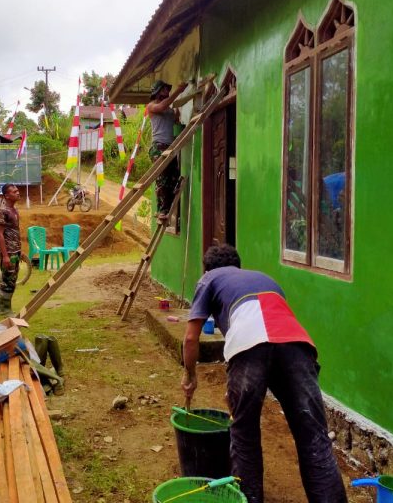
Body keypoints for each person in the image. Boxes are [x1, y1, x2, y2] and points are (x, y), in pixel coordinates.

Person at [181, 244, 347, 503]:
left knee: (244, 434)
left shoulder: (209, 278)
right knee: (314, 438)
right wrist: (235, 386)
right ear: (238, 264)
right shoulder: (267, 280)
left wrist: (190, 375)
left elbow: (191, 339)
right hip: (297, 346)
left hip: (250, 345)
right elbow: (273, 339)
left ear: (207, 268)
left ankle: (249, 499)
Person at [147, 79, 188, 221]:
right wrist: (179, 91)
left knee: (173, 178)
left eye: (168, 90)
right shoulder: (152, 106)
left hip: (169, 147)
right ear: (157, 91)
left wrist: (180, 110)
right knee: (163, 179)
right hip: (158, 147)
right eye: (165, 90)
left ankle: (166, 209)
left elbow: (174, 119)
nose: (167, 92)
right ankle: (162, 211)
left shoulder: (169, 109)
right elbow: (162, 107)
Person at [0, 183, 21, 317]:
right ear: (7, 195)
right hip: (8, 251)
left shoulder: (14, 210)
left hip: (14, 250)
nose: (18, 193)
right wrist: (5, 256)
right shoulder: (3, 211)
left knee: (5, 280)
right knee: (9, 281)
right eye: (14, 191)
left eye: (17, 190)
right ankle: (5, 310)